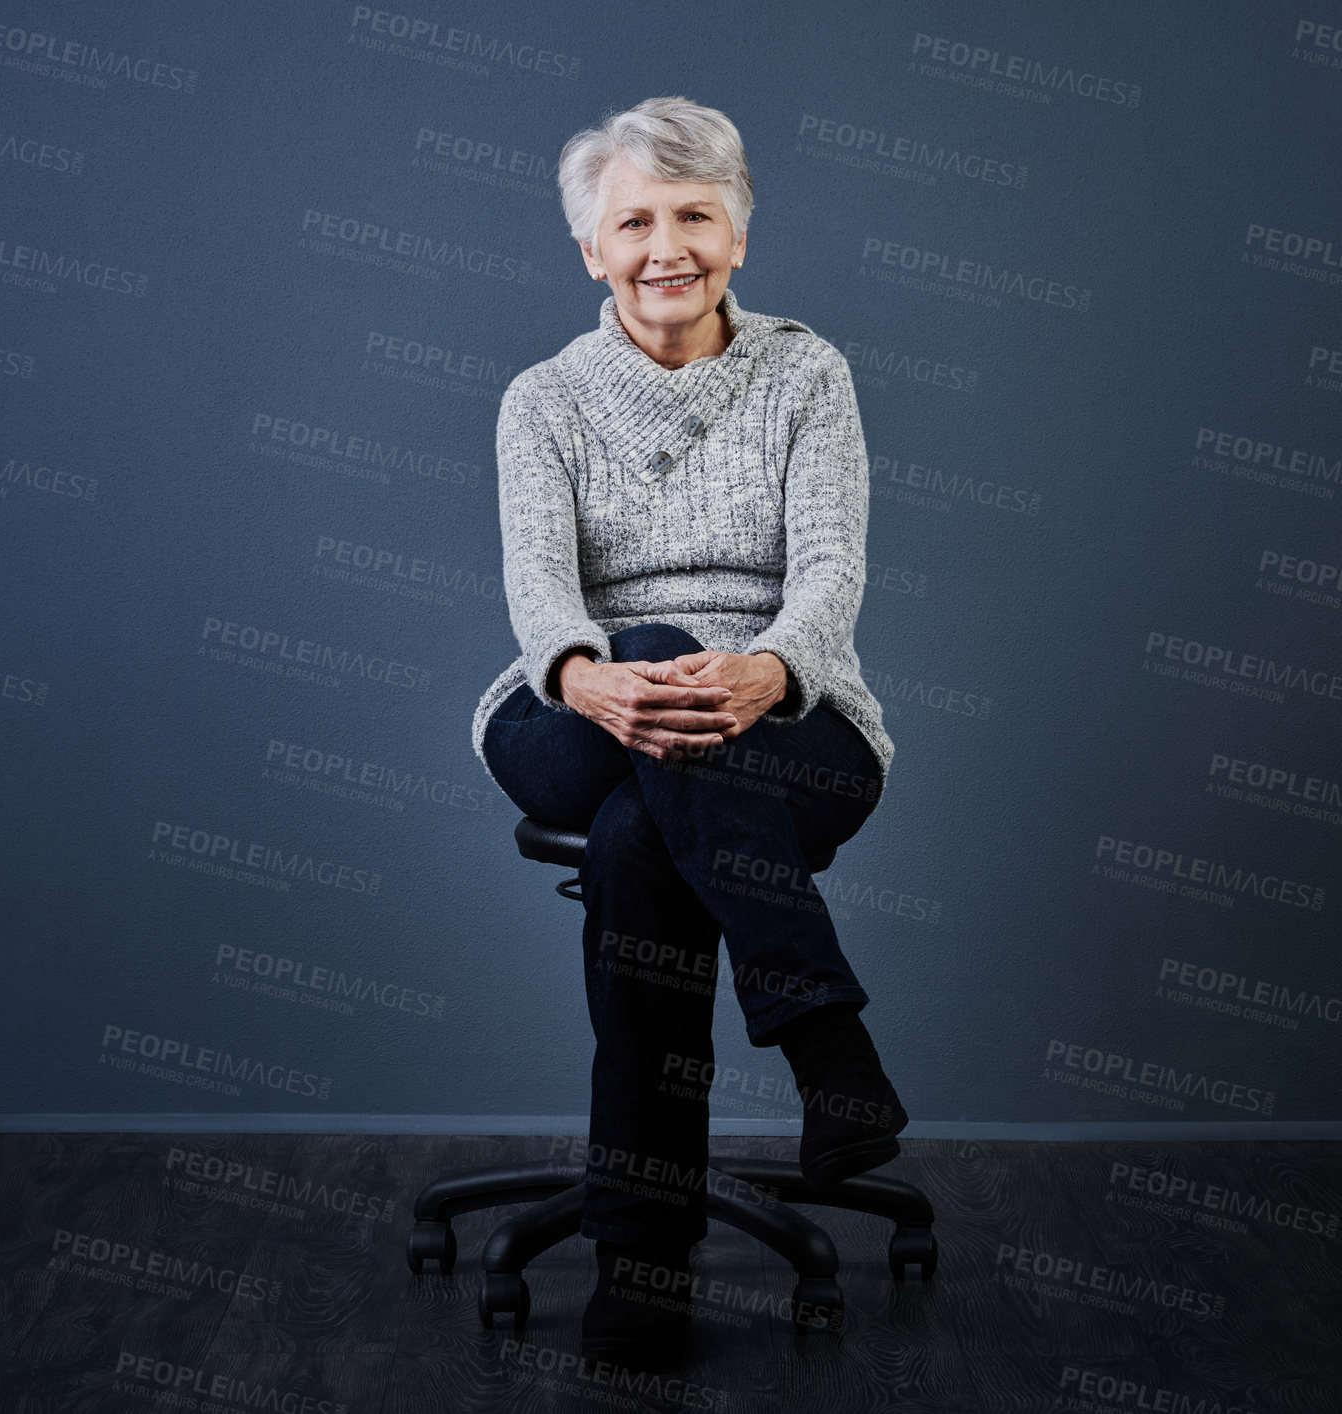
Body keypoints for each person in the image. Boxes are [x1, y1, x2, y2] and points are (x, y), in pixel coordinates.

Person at [471, 95, 906, 1369]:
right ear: (591, 251)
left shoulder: (807, 374)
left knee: (635, 850)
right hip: (572, 710)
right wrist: (590, 671)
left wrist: (771, 667)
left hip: (790, 715)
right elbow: (541, 592)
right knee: (647, 653)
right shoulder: (541, 399)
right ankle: (826, 1039)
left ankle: (639, 1254)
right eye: (635, 222)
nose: (668, 245)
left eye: (696, 215)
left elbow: (831, 571)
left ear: (739, 233)